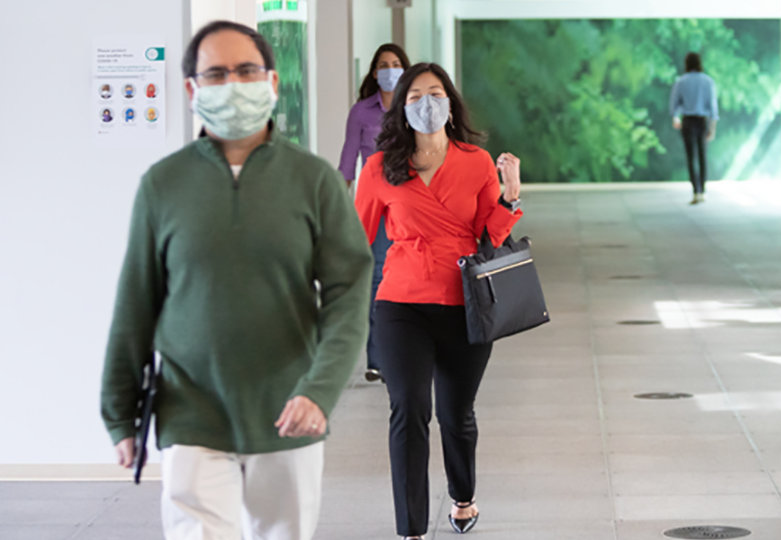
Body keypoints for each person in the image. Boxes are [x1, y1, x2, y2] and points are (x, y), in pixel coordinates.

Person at [100, 20, 373, 540]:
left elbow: (348, 292)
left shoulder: (313, 180)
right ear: (191, 89)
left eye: (246, 70)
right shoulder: (163, 185)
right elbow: (135, 302)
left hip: (289, 406)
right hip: (189, 408)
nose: (233, 83)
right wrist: (120, 411)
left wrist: (320, 389)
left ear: (271, 82)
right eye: (217, 73)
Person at [354, 63, 523, 540]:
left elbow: (489, 237)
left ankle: (463, 495)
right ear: (401, 108)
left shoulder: (474, 161)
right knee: (408, 408)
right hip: (401, 304)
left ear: (450, 103)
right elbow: (356, 239)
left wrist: (510, 196)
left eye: (435, 93)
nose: (426, 102)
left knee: (456, 414)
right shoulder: (380, 167)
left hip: (465, 304)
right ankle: (411, 529)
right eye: (414, 96)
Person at [338, 43, 411, 383]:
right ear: (373, 72)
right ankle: (377, 358)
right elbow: (346, 164)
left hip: (411, 204)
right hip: (377, 207)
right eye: (383, 64)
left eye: (396, 64)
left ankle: (409, 351)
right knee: (378, 278)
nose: (390, 70)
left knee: (412, 278)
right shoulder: (361, 112)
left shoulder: (413, 107)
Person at [670, 52, 719, 205]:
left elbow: (674, 104)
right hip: (702, 121)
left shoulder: (681, 81)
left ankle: (695, 191)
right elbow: (713, 107)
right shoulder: (707, 81)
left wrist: (676, 117)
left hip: (688, 121)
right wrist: (712, 127)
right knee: (702, 156)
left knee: (691, 157)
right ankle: (702, 190)